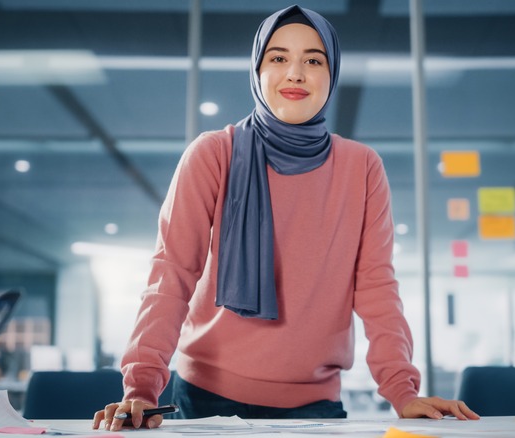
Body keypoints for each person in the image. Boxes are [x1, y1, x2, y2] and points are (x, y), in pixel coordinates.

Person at [93, 4, 479, 431]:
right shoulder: (213, 154)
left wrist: (402, 392)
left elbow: (376, 286)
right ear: (257, 71)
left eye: (313, 60)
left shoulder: (362, 167)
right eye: (278, 58)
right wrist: (141, 390)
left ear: (331, 76)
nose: (295, 73)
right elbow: (172, 274)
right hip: (204, 399)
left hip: (315, 406)